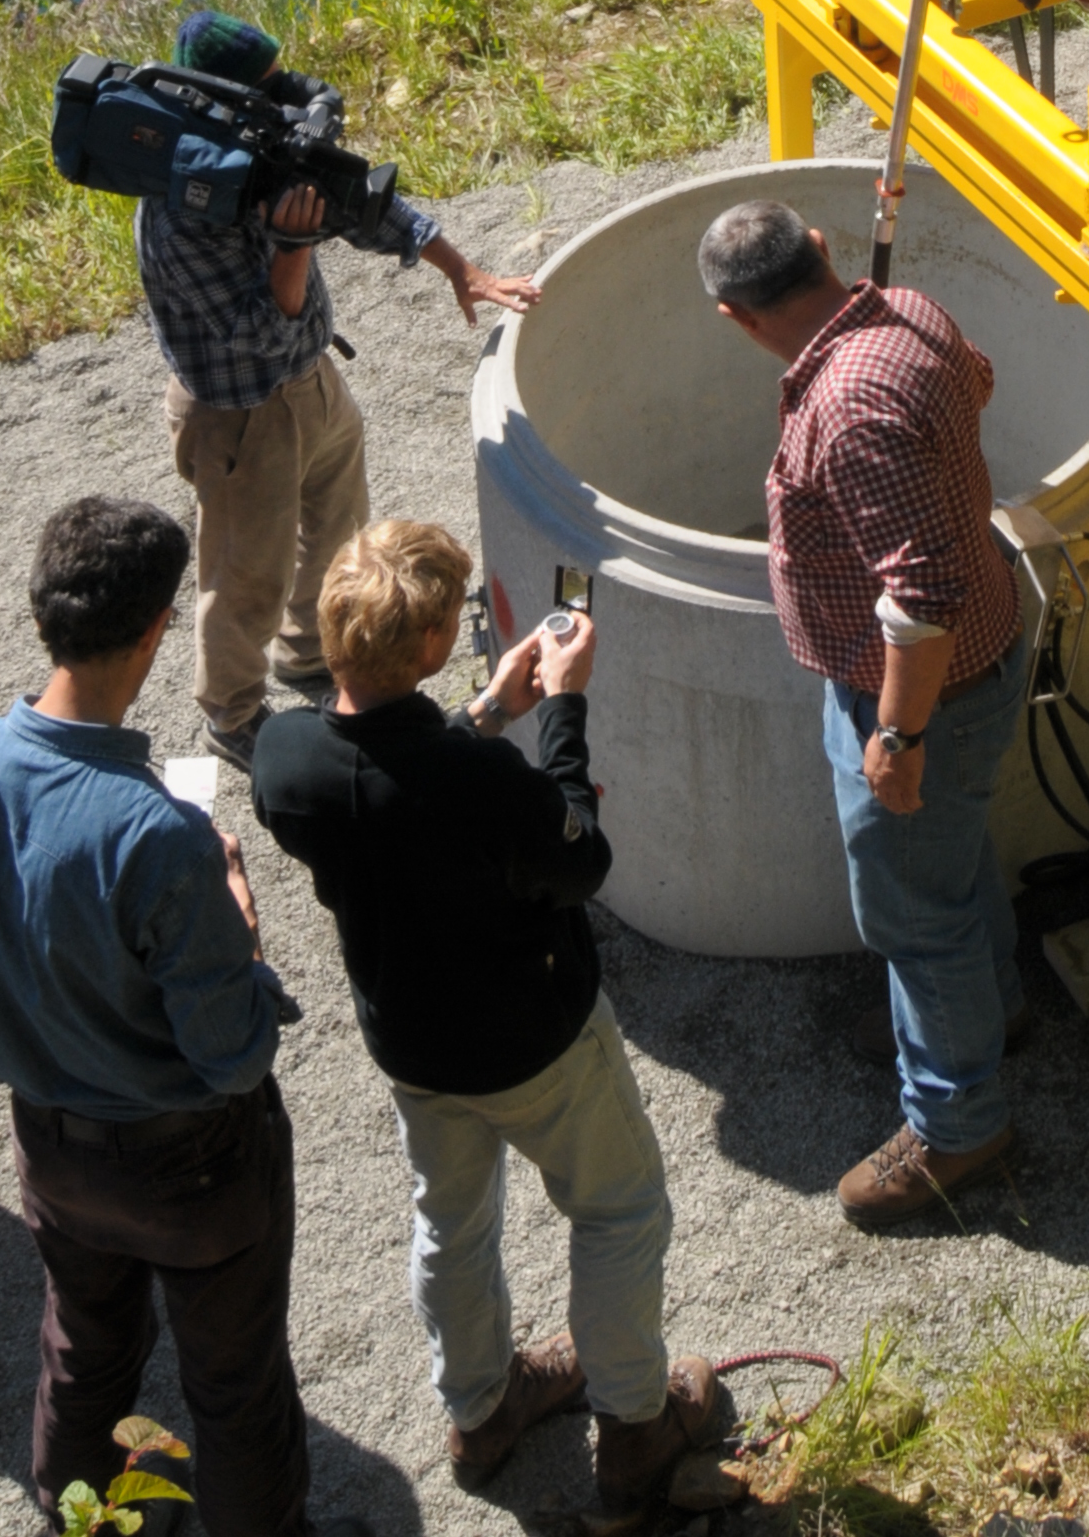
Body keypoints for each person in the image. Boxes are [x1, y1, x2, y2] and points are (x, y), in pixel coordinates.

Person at [249, 517, 729, 1524]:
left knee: (450, 1219)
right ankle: (635, 1428)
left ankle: (480, 1407)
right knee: (617, 1208)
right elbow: (578, 858)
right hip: (533, 1042)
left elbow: (389, 779)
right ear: (426, 649)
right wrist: (561, 707)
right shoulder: (476, 784)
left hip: (414, 1046)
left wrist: (481, 711)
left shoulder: (283, 756)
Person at [0, 494, 317, 1536]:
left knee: (83, 1355)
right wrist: (245, 931)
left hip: (53, 1154)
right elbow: (232, 1055)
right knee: (233, 1389)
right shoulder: (160, 835)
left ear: (43, 614)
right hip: (196, 1172)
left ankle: (74, 1522)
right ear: (160, 626)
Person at [699, 198, 1031, 1226]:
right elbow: (977, 379)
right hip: (989, 639)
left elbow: (921, 591)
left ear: (735, 318)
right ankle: (985, 1014)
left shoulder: (844, 405)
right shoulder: (909, 310)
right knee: (949, 861)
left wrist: (896, 734)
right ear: (825, 253)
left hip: (929, 691)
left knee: (909, 911)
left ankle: (957, 1123)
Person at [142, 14, 536, 773]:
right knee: (244, 570)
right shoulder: (178, 212)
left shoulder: (264, 148)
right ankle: (232, 714)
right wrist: (293, 246)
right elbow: (261, 329)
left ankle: (305, 656)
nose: (284, 97)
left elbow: (363, 204)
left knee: (336, 528)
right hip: (239, 412)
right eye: (266, 87)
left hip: (312, 381)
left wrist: (461, 268)